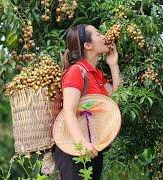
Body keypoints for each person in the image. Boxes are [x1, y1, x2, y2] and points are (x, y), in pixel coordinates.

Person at [53, 24, 121, 180]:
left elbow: (115, 103)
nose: (104, 36)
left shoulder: (97, 75)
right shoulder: (76, 72)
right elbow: (68, 111)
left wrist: (113, 64)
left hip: (94, 148)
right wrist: (81, 144)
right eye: (98, 34)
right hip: (75, 149)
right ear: (88, 45)